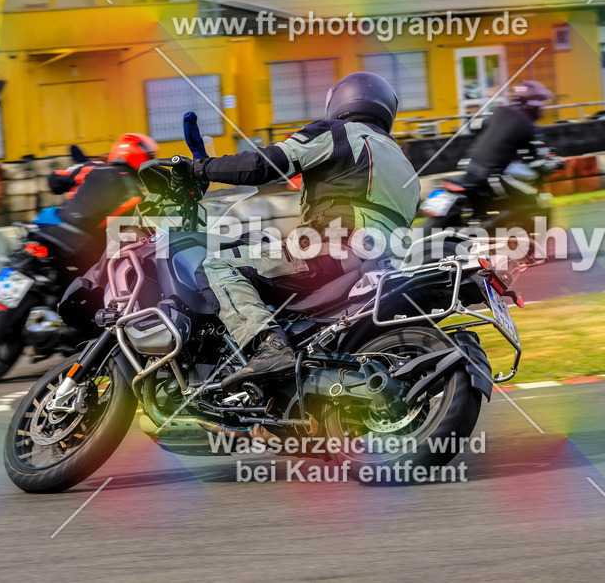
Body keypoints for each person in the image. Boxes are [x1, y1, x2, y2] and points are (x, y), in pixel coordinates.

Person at [173, 72, 420, 392]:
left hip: (333, 247)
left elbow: (267, 164)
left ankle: (268, 347)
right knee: (267, 249)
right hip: (380, 260)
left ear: (340, 101)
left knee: (217, 265)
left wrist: (202, 167)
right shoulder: (405, 164)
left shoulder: (337, 133)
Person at [40, 133, 157, 272]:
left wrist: (80, 166)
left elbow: (54, 181)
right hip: (82, 248)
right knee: (105, 283)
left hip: (51, 226)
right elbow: (132, 231)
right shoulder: (136, 194)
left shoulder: (90, 167)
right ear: (142, 156)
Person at [462, 80, 555, 188]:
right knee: (529, 197)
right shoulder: (527, 124)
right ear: (534, 105)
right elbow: (533, 156)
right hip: (491, 176)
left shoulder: (500, 111)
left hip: (471, 167)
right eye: (541, 104)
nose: (542, 108)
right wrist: (545, 162)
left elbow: (477, 126)